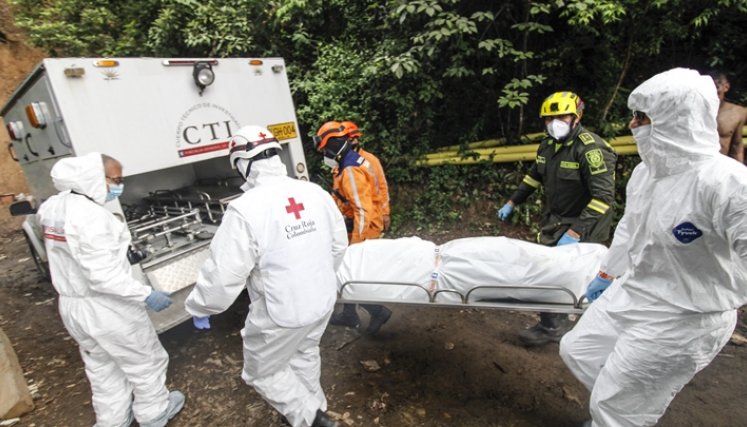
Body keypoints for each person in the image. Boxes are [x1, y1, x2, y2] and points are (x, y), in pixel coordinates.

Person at [559, 68, 747, 427]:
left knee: (620, 401)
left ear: (675, 119)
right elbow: (630, 229)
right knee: (578, 350)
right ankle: (617, 410)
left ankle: (618, 416)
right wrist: (606, 272)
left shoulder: (728, 185)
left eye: (642, 117)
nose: (632, 125)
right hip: (637, 289)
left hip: (688, 314)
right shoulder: (645, 174)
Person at [185, 125, 348, 427]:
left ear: (242, 165)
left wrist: (198, 306)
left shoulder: (246, 209)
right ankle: (316, 408)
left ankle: (312, 418)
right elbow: (338, 245)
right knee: (304, 352)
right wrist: (315, 275)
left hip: (281, 311)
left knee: (262, 371)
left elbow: (223, 277)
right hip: (323, 298)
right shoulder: (314, 192)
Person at [37, 152, 184, 427]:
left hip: (73, 306)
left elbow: (75, 255)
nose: (119, 185)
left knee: (102, 367)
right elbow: (102, 278)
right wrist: (145, 294)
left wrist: (123, 257)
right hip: (107, 307)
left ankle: (112, 421)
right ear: (94, 177)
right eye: (115, 179)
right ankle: (155, 412)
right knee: (144, 360)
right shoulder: (92, 217)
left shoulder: (54, 207)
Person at [497, 91, 617, 347]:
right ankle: (559, 324)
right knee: (557, 274)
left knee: (569, 276)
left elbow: (603, 199)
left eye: (560, 116)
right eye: (549, 118)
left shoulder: (590, 149)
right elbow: (533, 177)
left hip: (585, 224)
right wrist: (512, 201)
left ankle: (555, 328)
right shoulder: (547, 146)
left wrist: (574, 233)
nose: (554, 123)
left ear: (576, 117)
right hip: (556, 221)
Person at [313, 120, 392, 334]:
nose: (324, 156)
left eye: (324, 150)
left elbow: (363, 211)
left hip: (362, 231)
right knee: (349, 274)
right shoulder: (351, 162)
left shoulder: (350, 170)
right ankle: (350, 314)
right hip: (358, 228)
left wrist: (358, 245)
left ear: (332, 145)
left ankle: (377, 311)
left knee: (349, 274)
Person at [341, 121, 391, 231]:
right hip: (349, 220)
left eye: (355, 137)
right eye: (350, 138)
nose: (354, 140)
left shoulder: (370, 160)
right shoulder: (340, 164)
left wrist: (385, 213)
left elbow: (382, 187)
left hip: (371, 219)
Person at [709, 71, 746, 163]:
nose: (713, 94)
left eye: (717, 89)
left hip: (721, 167)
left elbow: (736, 147)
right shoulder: (693, 111)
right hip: (695, 169)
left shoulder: (737, 113)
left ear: (726, 87)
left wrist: (740, 173)